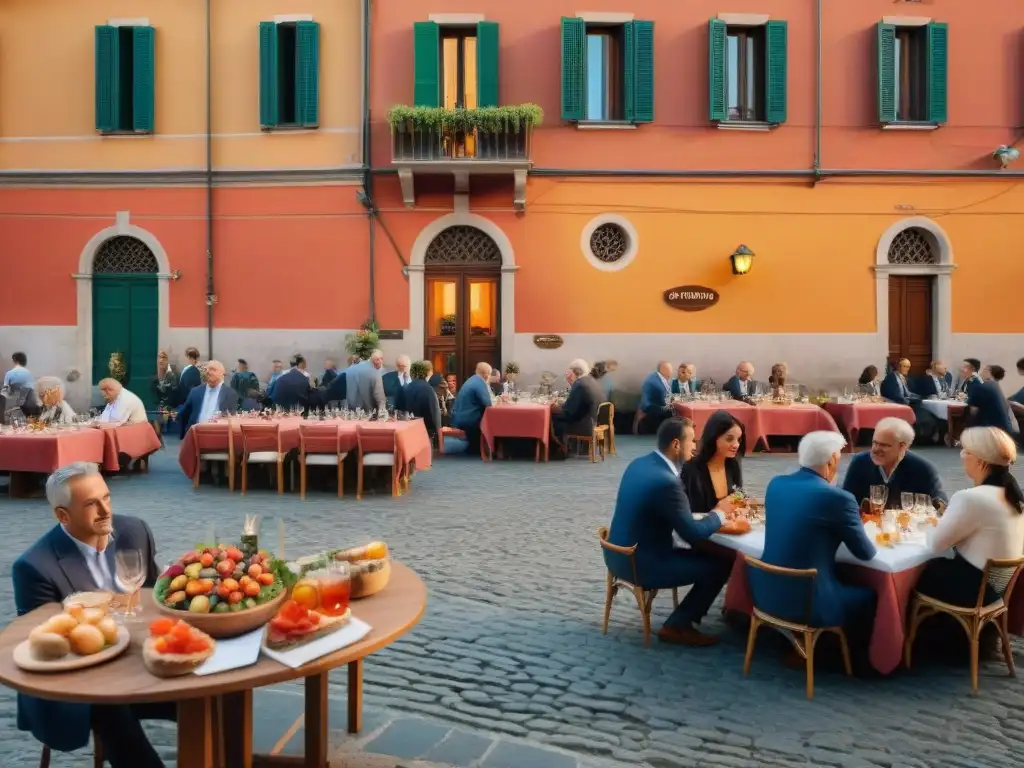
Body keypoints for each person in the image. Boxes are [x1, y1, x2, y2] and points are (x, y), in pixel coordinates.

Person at [12, 463, 171, 767]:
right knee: (109, 707)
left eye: (107, 498)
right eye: (91, 504)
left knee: (209, 692)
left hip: (140, 661)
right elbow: (49, 651)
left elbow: (153, 597)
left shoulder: (134, 531)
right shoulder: (34, 567)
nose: (104, 510)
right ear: (63, 515)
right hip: (77, 681)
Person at [605, 418, 736, 646]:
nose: (695, 446)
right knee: (722, 564)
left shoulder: (639, 463)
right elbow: (692, 534)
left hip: (616, 556)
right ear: (676, 444)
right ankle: (678, 625)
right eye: (691, 441)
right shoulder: (666, 482)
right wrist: (720, 514)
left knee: (711, 557)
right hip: (643, 564)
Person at [751, 432, 877, 636]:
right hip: (811, 604)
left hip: (765, 592)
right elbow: (865, 553)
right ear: (832, 460)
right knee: (872, 595)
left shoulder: (776, 483)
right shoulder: (839, 498)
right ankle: (843, 658)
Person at [917, 427, 1024, 608]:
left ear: (981, 461)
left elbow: (935, 545)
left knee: (917, 573)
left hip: (972, 592)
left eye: (965, 451)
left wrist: (928, 522)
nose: (961, 455)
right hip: (997, 589)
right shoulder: (1013, 495)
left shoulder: (971, 497)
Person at [841, 417, 946, 508]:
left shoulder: (923, 469)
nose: (876, 449)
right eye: (874, 443)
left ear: (902, 446)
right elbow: (845, 502)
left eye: (884, 445)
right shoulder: (860, 463)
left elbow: (941, 506)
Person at [681, 410, 744, 515]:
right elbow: (688, 513)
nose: (736, 445)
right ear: (714, 437)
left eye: (738, 440)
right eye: (729, 439)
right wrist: (718, 509)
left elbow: (739, 495)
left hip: (730, 525)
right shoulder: (691, 469)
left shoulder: (733, 464)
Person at [178, 360, 239, 436]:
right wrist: (185, 435)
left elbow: (234, 418)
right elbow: (184, 413)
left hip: (220, 438)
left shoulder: (231, 394)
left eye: (212, 369)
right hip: (196, 437)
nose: (208, 372)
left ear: (222, 374)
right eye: (207, 369)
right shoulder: (195, 392)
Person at [552, 359, 602, 449]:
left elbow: (568, 412)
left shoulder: (580, 385)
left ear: (573, 372)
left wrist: (554, 409)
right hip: (592, 420)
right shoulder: (590, 381)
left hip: (583, 425)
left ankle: (556, 449)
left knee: (550, 418)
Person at [451, 362, 494, 455]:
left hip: (459, 417)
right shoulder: (479, 383)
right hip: (469, 419)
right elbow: (488, 404)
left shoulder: (472, 380)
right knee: (496, 421)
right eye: (490, 374)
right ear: (486, 375)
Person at [966, 365, 1019, 438]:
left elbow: (971, 406)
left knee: (969, 414)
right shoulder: (995, 386)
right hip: (1006, 430)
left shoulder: (984, 386)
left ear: (988, 372)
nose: (980, 373)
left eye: (983, 370)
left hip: (995, 431)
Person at [403, 361, 443, 438]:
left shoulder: (409, 387)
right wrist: (438, 431)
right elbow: (434, 411)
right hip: (426, 429)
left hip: (411, 426)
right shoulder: (427, 388)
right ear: (427, 372)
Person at [639, 361, 674, 433]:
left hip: (655, 405)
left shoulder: (661, 378)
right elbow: (663, 397)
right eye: (669, 369)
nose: (671, 371)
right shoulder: (654, 380)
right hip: (651, 406)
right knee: (672, 412)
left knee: (673, 410)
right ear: (663, 369)